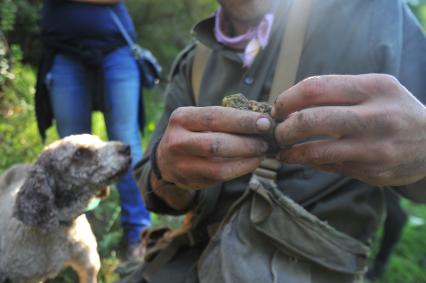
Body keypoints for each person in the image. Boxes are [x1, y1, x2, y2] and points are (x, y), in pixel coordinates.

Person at [129, 0, 426, 281]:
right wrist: (167, 172)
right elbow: (149, 180)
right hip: (181, 263)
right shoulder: (194, 60)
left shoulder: (371, 12)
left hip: (303, 266)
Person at [34, 0, 151, 259]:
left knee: (127, 142)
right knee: (71, 152)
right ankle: (76, 235)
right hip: (62, 50)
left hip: (117, 49)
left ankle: (140, 233)